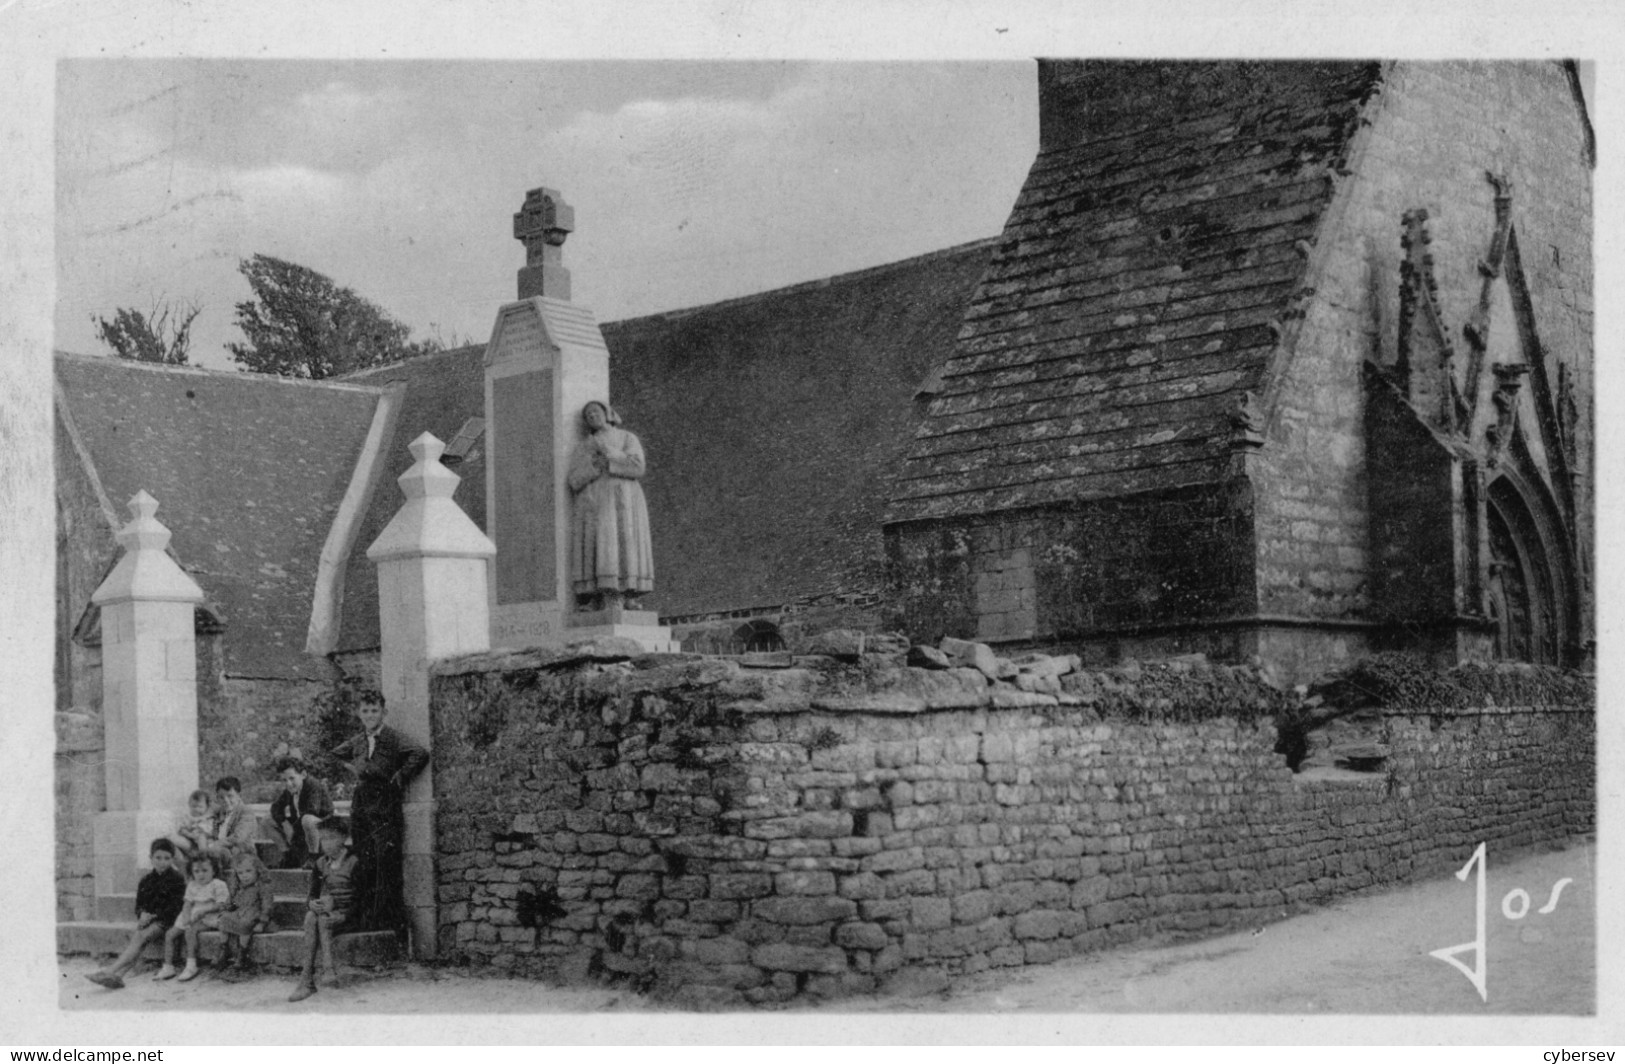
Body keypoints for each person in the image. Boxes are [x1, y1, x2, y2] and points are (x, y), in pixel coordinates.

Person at [332, 693, 427, 936]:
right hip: (362, 801)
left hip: (384, 801)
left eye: (374, 710)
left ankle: (387, 921)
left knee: (385, 860)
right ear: (359, 714)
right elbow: (336, 754)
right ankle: (365, 919)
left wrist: (401, 775)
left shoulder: (393, 738)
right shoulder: (358, 741)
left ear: (383, 712)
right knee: (364, 859)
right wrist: (354, 767)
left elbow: (420, 753)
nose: (370, 715)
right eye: (365, 711)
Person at [566, 401, 654, 609]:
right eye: (588, 415)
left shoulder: (626, 437)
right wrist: (594, 466)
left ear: (607, 414)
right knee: (602, 545)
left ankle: (628, 593)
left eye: (596, 412)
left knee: (625, 543)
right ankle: (601, 595)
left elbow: (638, 466)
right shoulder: (585, 445)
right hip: (597, 501)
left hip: (625, 498)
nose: (592, 416)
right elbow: (574, 480)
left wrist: (612, 457)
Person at [84, 838, 186, 990]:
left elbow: (176, 907)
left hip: (168, 920)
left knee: (142, 936)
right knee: (138, 938)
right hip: (150, 920)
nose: (162, 862)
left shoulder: (177, 879)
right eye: (158, 858)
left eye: (166, 858)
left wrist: (153, 916)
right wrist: (142, 914)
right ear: (150, 858)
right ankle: (118, 976)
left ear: (172, 859)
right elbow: (140, 904)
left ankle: (109, 970)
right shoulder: (146, 880)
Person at [288, 817, 358, 1003]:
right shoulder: (320, 864)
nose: (325, 844)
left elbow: (365, 901)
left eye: (331, 838)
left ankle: (310, 979)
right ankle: (317, 975)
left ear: (343, 838)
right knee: (312, 915)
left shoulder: (355, 862)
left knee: (319, 919)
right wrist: (312, 903)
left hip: (352, 916)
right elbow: (312, 894)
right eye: (323, 839)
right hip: (331, 915)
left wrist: (341, 913)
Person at [159, 853, 229, 982]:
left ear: (214, 871)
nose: (201, 874)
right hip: (193, 913)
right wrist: (186, 917)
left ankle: (191, 965)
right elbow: (187, 903)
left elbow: (222, 904)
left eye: (205, 870)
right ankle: (168, 966)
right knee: (170, 934)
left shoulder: (218, 884)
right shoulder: (192, 885)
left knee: (190, 930)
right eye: (196, 871)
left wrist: (204, 911)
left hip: (209, 915)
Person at [214, 852, 275, 980]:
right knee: (223, 919)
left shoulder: (262, 886)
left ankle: (242, 954)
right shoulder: (239, 886)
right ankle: (224, 949)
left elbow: (267, 905)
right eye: (240, 873)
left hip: (254, 914)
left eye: (248, 871)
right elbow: (233, 901)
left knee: (245, 924)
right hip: (240, 911)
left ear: (257, 870)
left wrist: (262, 922)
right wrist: (227, 907)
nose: (244, 876)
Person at [270, 756, 334, 869]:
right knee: (267, 821)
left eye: (292, 778)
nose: (288, 784)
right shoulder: (291, 790)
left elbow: (312, 810)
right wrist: (285, 823)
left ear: (303, 774)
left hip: (323, 826)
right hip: (302, 828)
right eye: (284, 780)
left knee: (308, 819)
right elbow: (275, 808)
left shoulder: (313, 785)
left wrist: (292, 830)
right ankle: (288, 854)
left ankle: (314, 857)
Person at [203, 776, 259, 873]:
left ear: (238, 795)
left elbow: (238, 837)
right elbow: (211, 832)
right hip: (220, 853)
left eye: (230, 796)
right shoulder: (219, 813)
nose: (226, 800)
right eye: (221, 797)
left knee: (213, 854)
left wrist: (216, 844)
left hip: (240, 854)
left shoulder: (246, 812)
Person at [168, 790, 213, 872]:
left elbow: (207, 831)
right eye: (194, 806)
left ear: (207, 807)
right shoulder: (186, 817)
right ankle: (180, 861)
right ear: (189, 805)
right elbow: (182, 829)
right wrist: (189, 834)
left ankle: (203, 858)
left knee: (201, 837)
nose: (196, 809)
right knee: (171, 838)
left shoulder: (207, 818)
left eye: (200, 807)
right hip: (189, 842)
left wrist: (197, 833)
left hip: (202, 844)